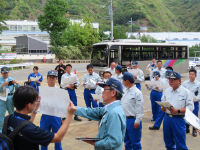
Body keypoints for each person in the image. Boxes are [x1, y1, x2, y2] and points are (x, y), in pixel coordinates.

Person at [4, 85, 76, 150]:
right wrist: (69, 115)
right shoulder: (31, 130)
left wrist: (35, 110)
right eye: (35, 101)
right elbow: (58, 137)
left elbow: (23, 124)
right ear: (29, 105)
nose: (36, 102)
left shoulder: (8, 118)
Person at [75, 78, 126, 150]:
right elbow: (89, 112)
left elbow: (114, 141)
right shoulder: (108, 109)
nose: (102, 92)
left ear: (113, 93)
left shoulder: (114, 113)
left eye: (105, 89)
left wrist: (95, 143)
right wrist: (73, 108)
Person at [161, 71, 194, 150]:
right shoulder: (167, 91)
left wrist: (178, 111)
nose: (170, 81)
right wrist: (162, 108)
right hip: (167, 119)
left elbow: (191, 108)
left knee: (180, 144)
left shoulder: (186, 92)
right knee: (168, 142)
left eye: (173, 79)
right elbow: (162, 102)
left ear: (179, 80)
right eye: (169, 79)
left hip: (178, 119)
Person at [40, 70, 63, 150]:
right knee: (43, 140)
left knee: (57, 139)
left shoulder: (60, 91)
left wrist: (63, 118)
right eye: (50, 77)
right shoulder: (42, 91)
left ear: (56, 79)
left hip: (56, 116)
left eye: (53, 77)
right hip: (45, 117)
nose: (51, 79)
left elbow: (63, 105)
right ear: (47, 78)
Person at [121, 72, 143, 150]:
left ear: (127, 81)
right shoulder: (125, 90)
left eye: (123, 80)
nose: (122, 82)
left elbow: (139, 107)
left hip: (133, 120)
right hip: (124, 119)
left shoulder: (137, 92)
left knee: (135, 143)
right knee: (127, 142)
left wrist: (137, 121)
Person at [0, 67, 20, 133]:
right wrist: (2, 85)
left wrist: (16, 83)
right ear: (1, 73)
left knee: (12, 113)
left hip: (10, 97)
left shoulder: (12, 79)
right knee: (1, 114)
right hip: (2, 99)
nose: (6, 74)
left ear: (9, 72)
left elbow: (18, 88)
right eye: (4, 73)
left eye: (7, 72)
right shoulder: (0, 80)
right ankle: (0, 130)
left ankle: (13, 128)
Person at [182, 69, 200, 137]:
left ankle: (195, 130)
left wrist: (196, 99)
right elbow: (182, 92)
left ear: (195, 75)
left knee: (194, 116)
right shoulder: (185, 83)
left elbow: (199, 94)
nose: (191, 76)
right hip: (186, 102)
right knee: (186, 115)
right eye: (190, 74)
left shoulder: (198, 84)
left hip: (194, 102)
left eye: (192, 74)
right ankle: (187, 128)